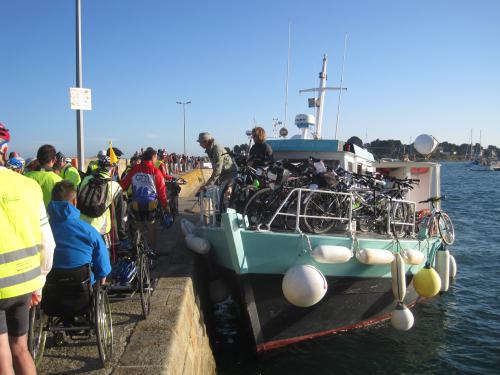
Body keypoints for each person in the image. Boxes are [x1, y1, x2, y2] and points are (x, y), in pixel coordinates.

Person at [0, 122, 55, 375]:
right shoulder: (27, 185)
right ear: (6, 149)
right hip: (25, 282)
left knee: (3, 360)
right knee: (21, 350)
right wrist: (40, 281)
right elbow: (48, 242)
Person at [48, 181, 111, 285]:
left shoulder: (41, 230)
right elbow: (104, 268)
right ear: (74, 201)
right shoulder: (89, 230)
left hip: (50, 289)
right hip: (82, 289)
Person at [121, 147, 171, 249]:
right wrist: (166, 206)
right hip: (151, 203)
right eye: (156, 157)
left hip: (136, 202)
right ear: (152, 157)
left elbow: (123, 185)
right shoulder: (155, 171)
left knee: (139, 227)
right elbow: (162, 191)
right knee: (151, 225)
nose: (156, 159)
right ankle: (151, 250)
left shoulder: (134, 169)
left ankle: (140, 248)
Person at [79, 157, 129, 250]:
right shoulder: (115, 186)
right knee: (104, 259)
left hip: (82, 227)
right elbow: (120, 214)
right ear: (112, 169)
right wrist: (122, 235)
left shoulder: (86, 179)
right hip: (101, 230)